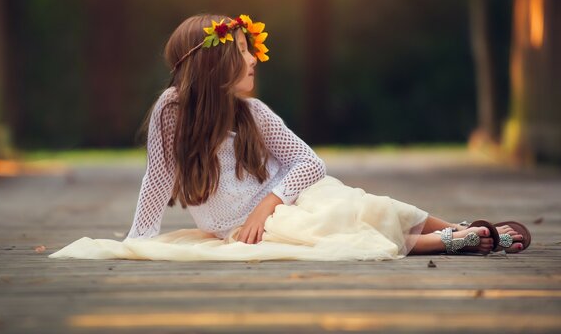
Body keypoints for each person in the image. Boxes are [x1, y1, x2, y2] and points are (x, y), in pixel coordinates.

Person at [124, 13, 530, 258]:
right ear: (214, 60)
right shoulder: (172, 109)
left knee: (357, 206)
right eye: (242, 50)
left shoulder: (251, 113)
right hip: (249, 229)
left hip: (283, 203)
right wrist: (138, 238)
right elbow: (158, 178)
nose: (253, 59)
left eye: (251, 49)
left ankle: (459, 229)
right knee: (329, 233)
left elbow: (309, 162)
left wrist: (266, 205)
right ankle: (452, 241)